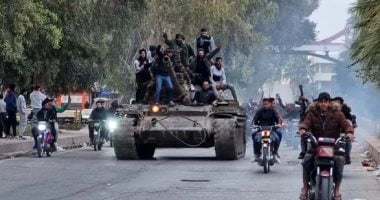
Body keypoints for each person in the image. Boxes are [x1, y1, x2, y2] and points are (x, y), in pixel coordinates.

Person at [298, 92, 354, 200]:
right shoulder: (312, 113)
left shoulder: (338, 114)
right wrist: (302, 129)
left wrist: (349, 132)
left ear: (329, 103)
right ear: (318, 103)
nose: (323, 104)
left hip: (334, 146)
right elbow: (306, 122)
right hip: (316, 145)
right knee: (306, 160)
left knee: (340, 160)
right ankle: (305, 187)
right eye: (321, 102)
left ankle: (337, 189)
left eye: (325, 101)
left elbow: (346, 124)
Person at [251, 98, 281, 163]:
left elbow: (278, 120)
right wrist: (254, 124)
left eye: (266, 104)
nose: (265, 105)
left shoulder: (273, 111)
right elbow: (254, 120)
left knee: (278, 137)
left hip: (272, 129)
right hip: (260, 129)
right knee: (254, 136)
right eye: (264, 104)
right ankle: (256, 154)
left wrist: (278, 124)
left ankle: (275, 153)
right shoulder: (259, 111)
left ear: (270, 104)